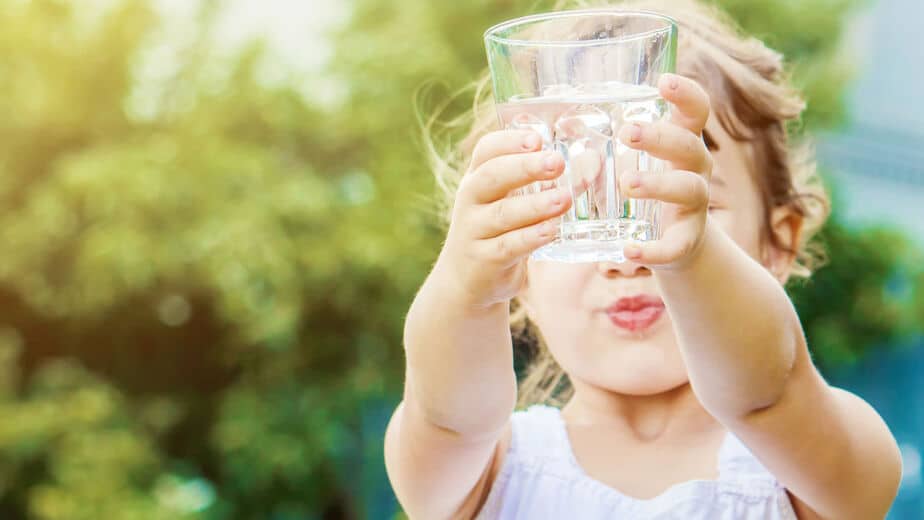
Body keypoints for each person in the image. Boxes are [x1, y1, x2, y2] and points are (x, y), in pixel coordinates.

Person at [384, 0, 902, 518]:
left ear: (778, 243)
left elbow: (766, 391)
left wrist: (693, 260)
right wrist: (463, 288)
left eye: (682, 206)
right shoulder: (486, 469)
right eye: (576, 208)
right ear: (517, 275)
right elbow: (446, 416)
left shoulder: (808, 465)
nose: (628, 259)